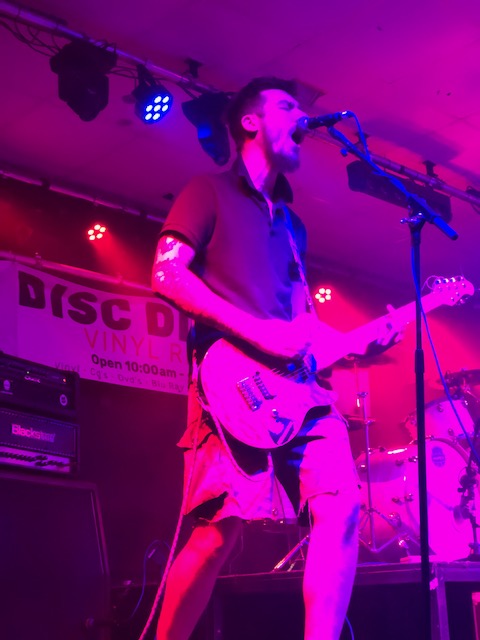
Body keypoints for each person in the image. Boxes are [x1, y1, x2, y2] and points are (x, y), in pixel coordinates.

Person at [151, 77, 379, 640]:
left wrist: (361, 339)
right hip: (232, 381)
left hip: (301, 392)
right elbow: (167, 274)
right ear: (250, 122)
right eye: (286, 105)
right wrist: (259, 333)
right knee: (217, 536)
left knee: (342, 506)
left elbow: (303, 327)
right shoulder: (208, 191)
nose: (301, 115)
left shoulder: (294, 226)